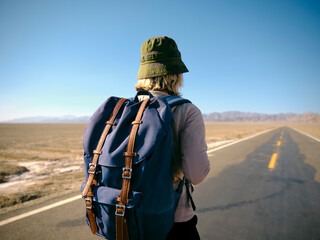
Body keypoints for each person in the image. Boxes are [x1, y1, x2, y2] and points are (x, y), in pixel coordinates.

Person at [135, 36, 210, 240]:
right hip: (173, 221)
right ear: (175, 75)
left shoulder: (126, 109)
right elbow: (196, 175)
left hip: (128, 217)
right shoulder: (187, 110)